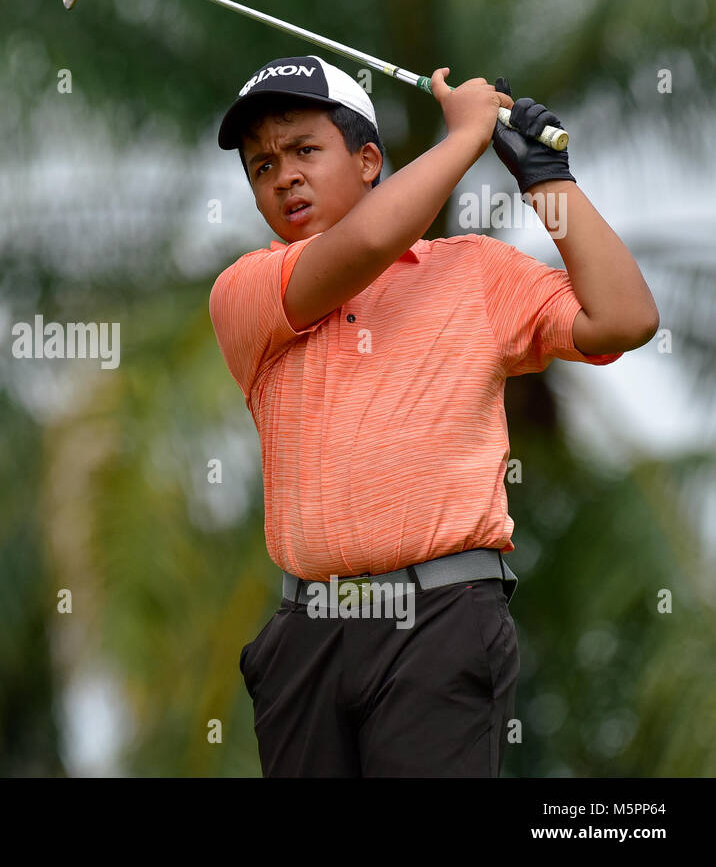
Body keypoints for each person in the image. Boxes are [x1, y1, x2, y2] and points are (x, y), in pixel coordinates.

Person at [208, 56, 659, 776]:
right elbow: (359, 247)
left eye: (303, 150)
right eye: (262, 166)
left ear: (367, 161)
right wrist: (466, 137)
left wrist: (549, 183)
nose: (283, 175)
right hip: (307, 636)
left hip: (441, 619)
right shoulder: (247, 291)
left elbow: (626, 320)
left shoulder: (474, 271)